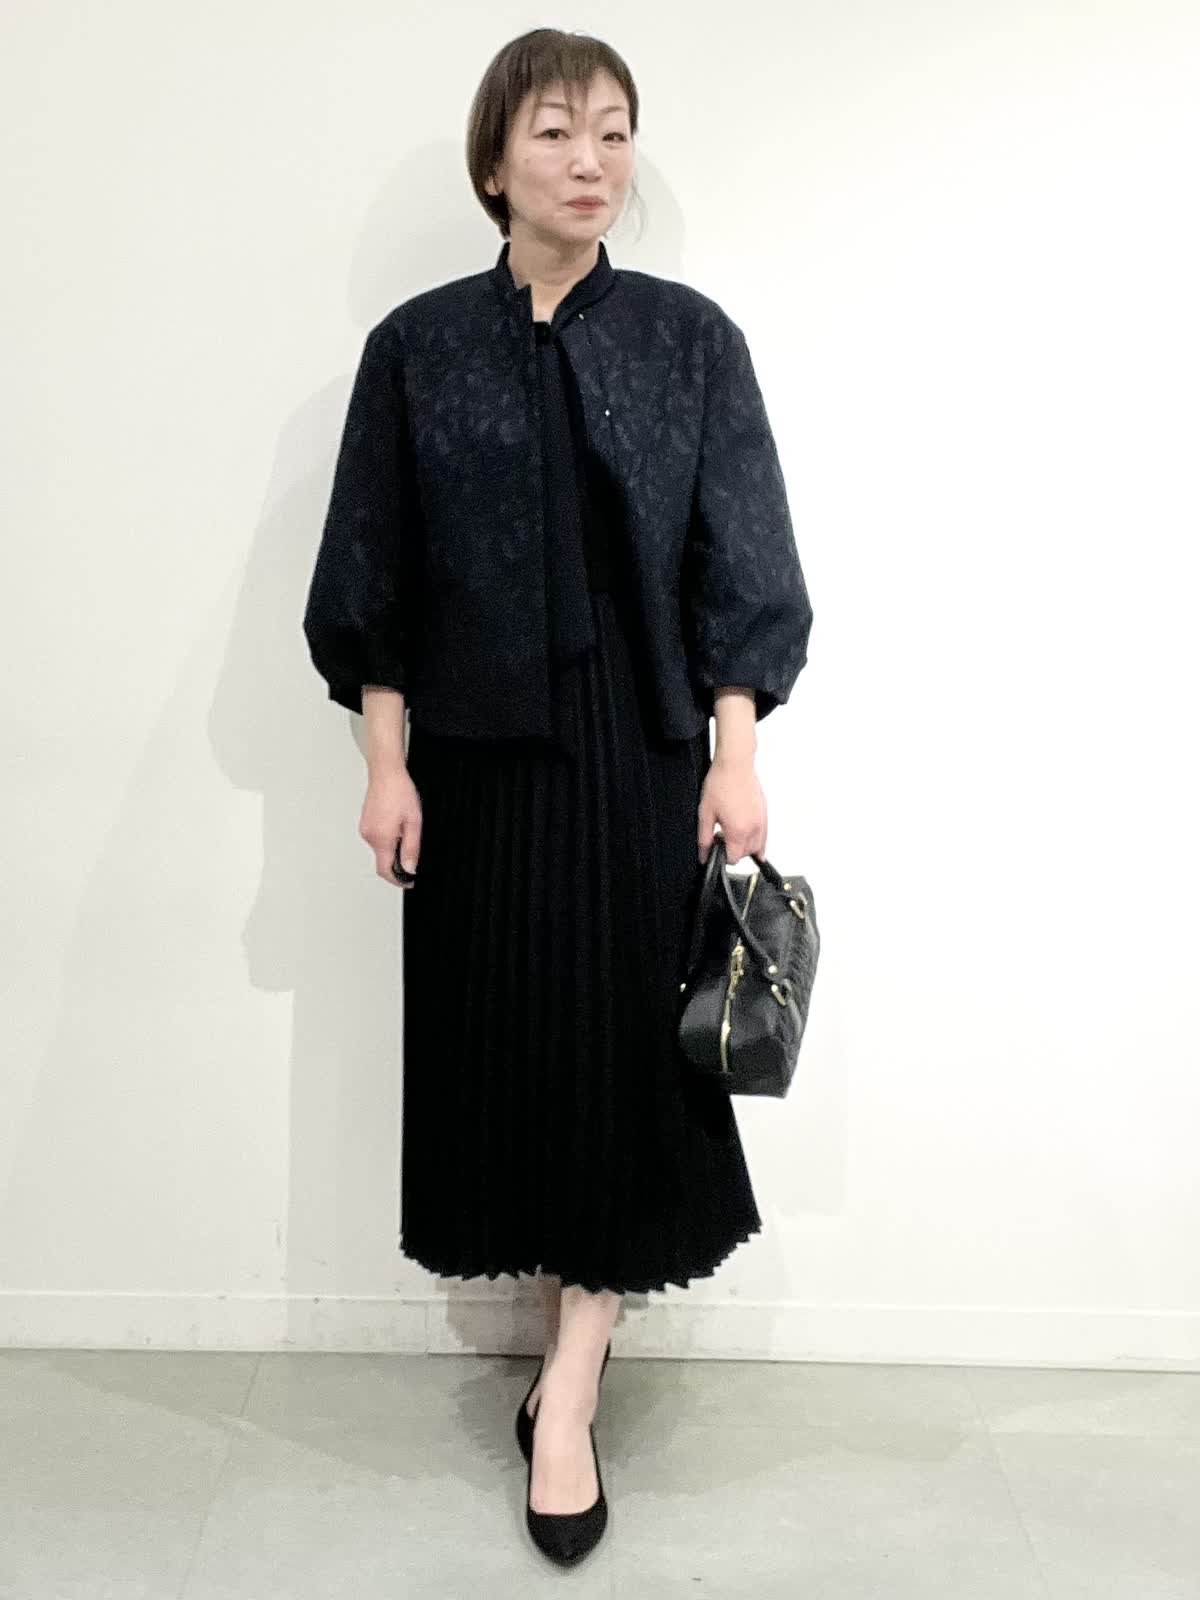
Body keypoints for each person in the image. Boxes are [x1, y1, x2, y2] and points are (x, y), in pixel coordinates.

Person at [302, 28, 813, 1566]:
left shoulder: (688, 341)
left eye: (612, 132)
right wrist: (385, 762)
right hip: (472, 760)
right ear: (495, 161)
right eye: (554, 133)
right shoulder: (417, 350)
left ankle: (571, 1396)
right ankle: (552, 1358)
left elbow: (741, 553)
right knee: (515, 1062)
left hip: (640, 753)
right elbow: (373, 574)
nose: (590, 161)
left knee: (626, 1075)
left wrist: (735, 751)